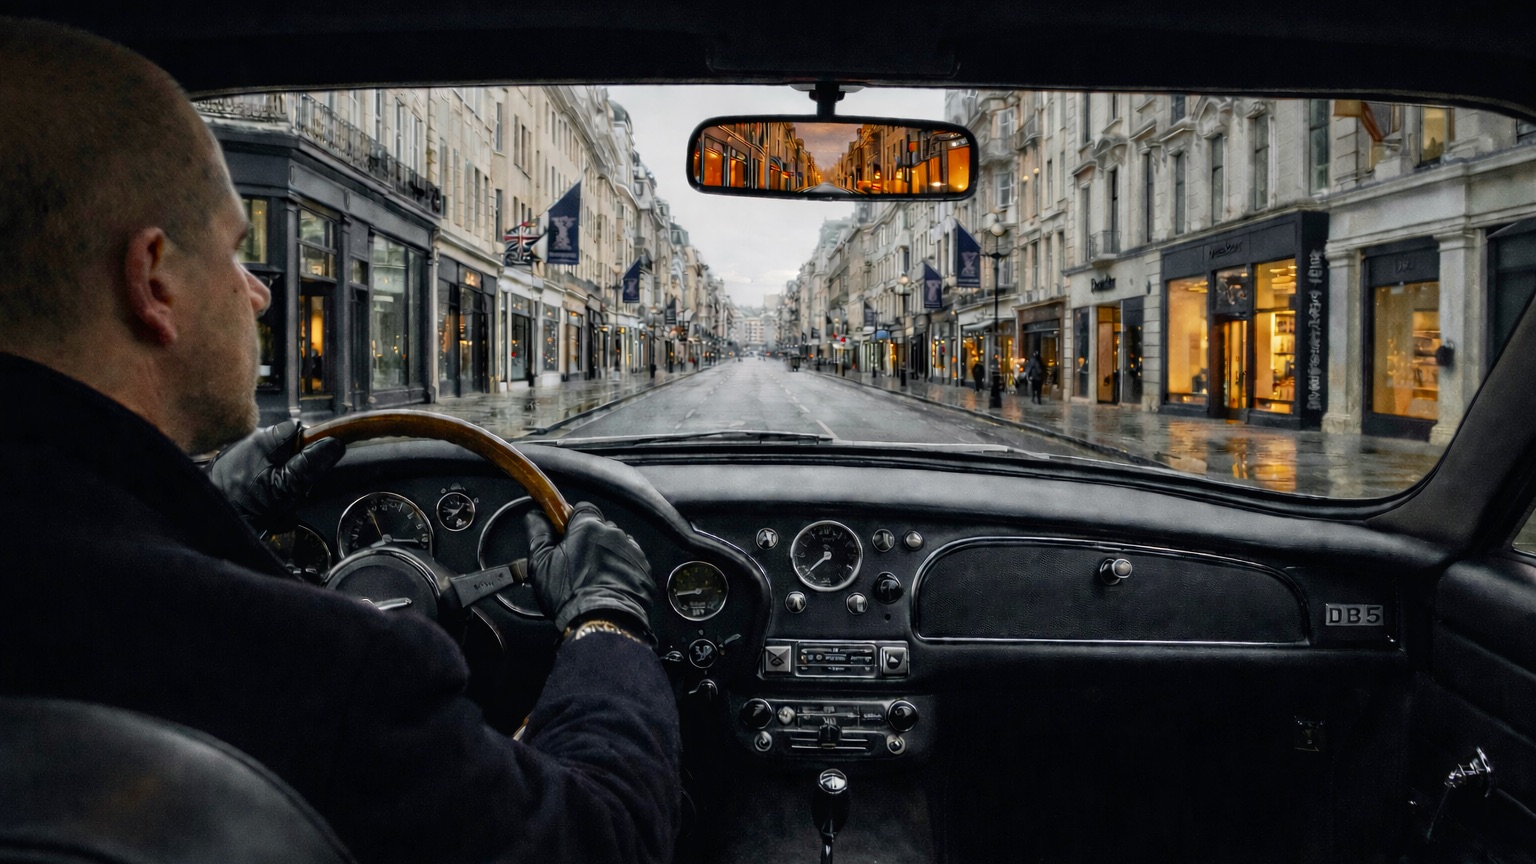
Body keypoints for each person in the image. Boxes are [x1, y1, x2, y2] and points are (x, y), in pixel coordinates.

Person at [0, 19, 678, 864]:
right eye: (239, 252)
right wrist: (607, 621)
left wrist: (205, 511)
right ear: (154, 281)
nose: (257, 293)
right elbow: (600, 835)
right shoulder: (329, 673)